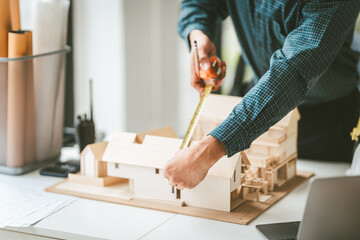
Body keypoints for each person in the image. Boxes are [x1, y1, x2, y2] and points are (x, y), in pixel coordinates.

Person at [163, 0, 360, 190]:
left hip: (329, 122)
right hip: (256, 103)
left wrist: (208, 150)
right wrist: (198, 33)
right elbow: (200, 3)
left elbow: (292, 72)